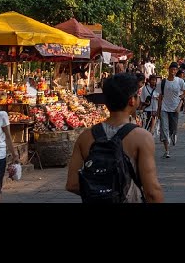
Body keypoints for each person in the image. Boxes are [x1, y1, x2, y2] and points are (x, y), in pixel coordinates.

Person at [65, 73, 164, 203]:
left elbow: (72, 184)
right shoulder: (142, 137)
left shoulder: (85, 137)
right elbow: (152, 191)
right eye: (137, 95)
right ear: (132, 100)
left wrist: (101, 192)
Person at [156, 62, 185, 158]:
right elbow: (160, 96)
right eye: (172, 69)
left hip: (175, 108)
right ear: (168, 70)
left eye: (175, 70)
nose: (173, 71)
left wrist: (180, 100)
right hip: (164, 108)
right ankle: (167, 150)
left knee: (173, 128)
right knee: (164, 128)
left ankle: (173, 135)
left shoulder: (180, 81)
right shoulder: (163, 82)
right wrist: (158, 109)